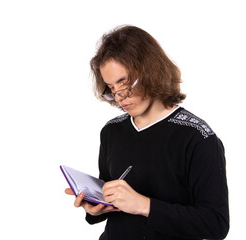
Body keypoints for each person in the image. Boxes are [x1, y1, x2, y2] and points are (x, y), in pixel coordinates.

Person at [64, 25, 229, 240]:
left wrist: (144, 205)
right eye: (111, 89)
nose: (120, 96)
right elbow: (109, 195)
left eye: (124, 84)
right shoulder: (111, 131)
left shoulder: (198, 137)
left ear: (151, 72)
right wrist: (95, 207)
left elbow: (215, 224)